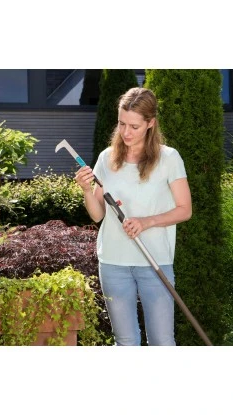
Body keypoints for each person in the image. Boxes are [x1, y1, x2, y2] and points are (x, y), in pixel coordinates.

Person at [75, 87, 192, 346]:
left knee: (162, 341)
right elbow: (97, 215)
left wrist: (146, 222)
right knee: (126, 342)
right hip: (113, 262)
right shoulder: (107, 158)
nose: (126, 132)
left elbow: (185, 209)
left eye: (134, 126)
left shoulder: (169, 158)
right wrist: (86, 190)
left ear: (150, 123)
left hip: (155, 261)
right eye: (122, 124)